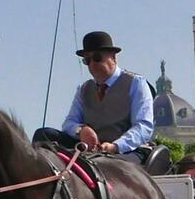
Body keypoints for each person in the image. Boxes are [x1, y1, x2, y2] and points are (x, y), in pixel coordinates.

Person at [60, 30, 158, 162]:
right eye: (87, 60)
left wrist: (115, 146)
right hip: (92, 150)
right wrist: (81, 130)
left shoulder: (136, 83)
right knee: (43, 135)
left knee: (106, 165)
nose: (92, 64)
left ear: (113, 57)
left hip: (129, 151)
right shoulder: (83, 89)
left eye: (97, 58)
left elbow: (143, 126)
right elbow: (69, 123)